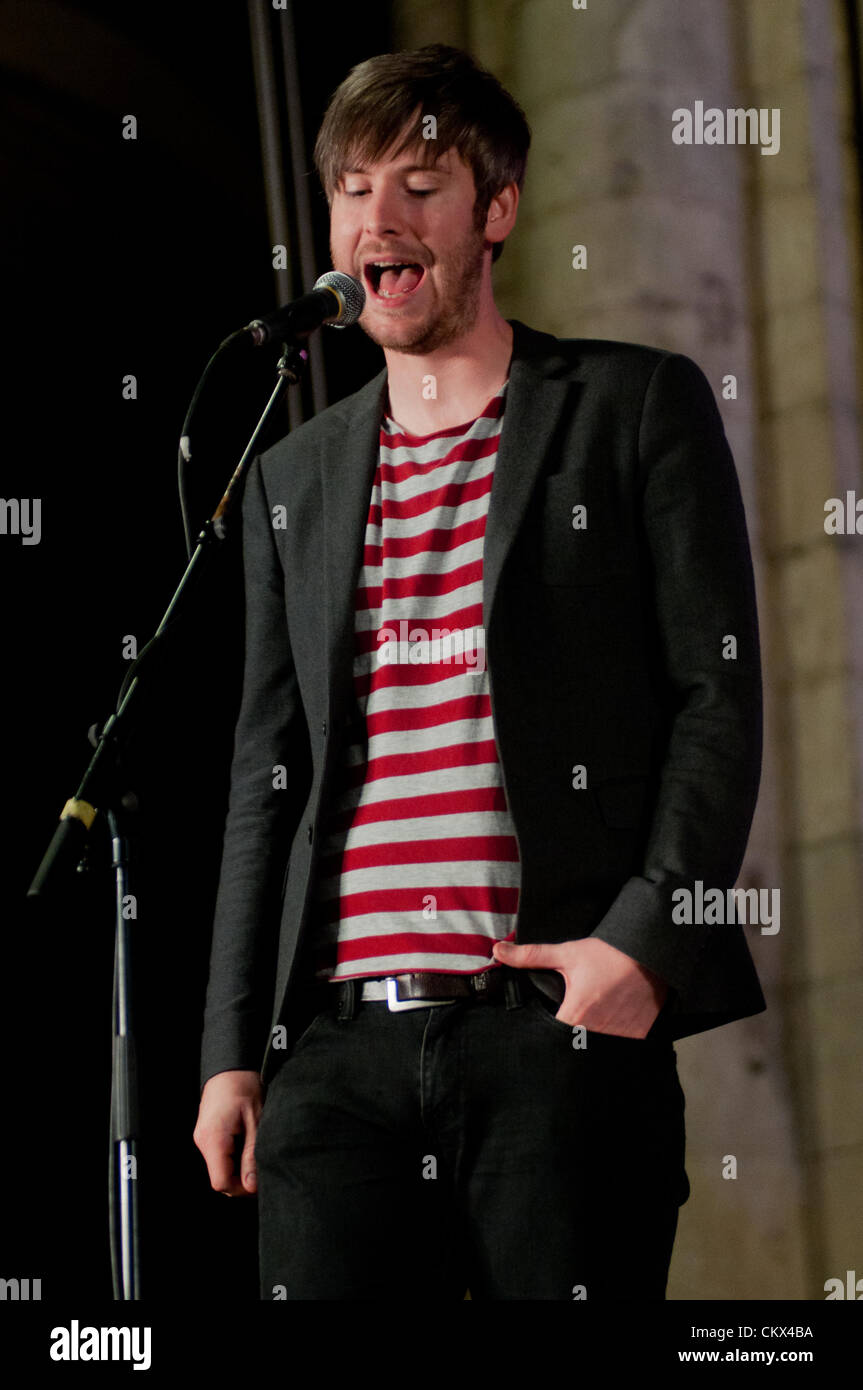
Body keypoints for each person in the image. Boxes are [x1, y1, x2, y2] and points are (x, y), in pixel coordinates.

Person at [193, 44, 765, 1301]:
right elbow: (263, 774)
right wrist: (233, 1051)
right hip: (335, 1055)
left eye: (419, 183)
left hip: (545, 1032)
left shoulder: (628, 406)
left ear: (495, 211)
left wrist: (641, 946)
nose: (376, 220)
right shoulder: (293, 478)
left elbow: (714, 695)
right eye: (351, 189)